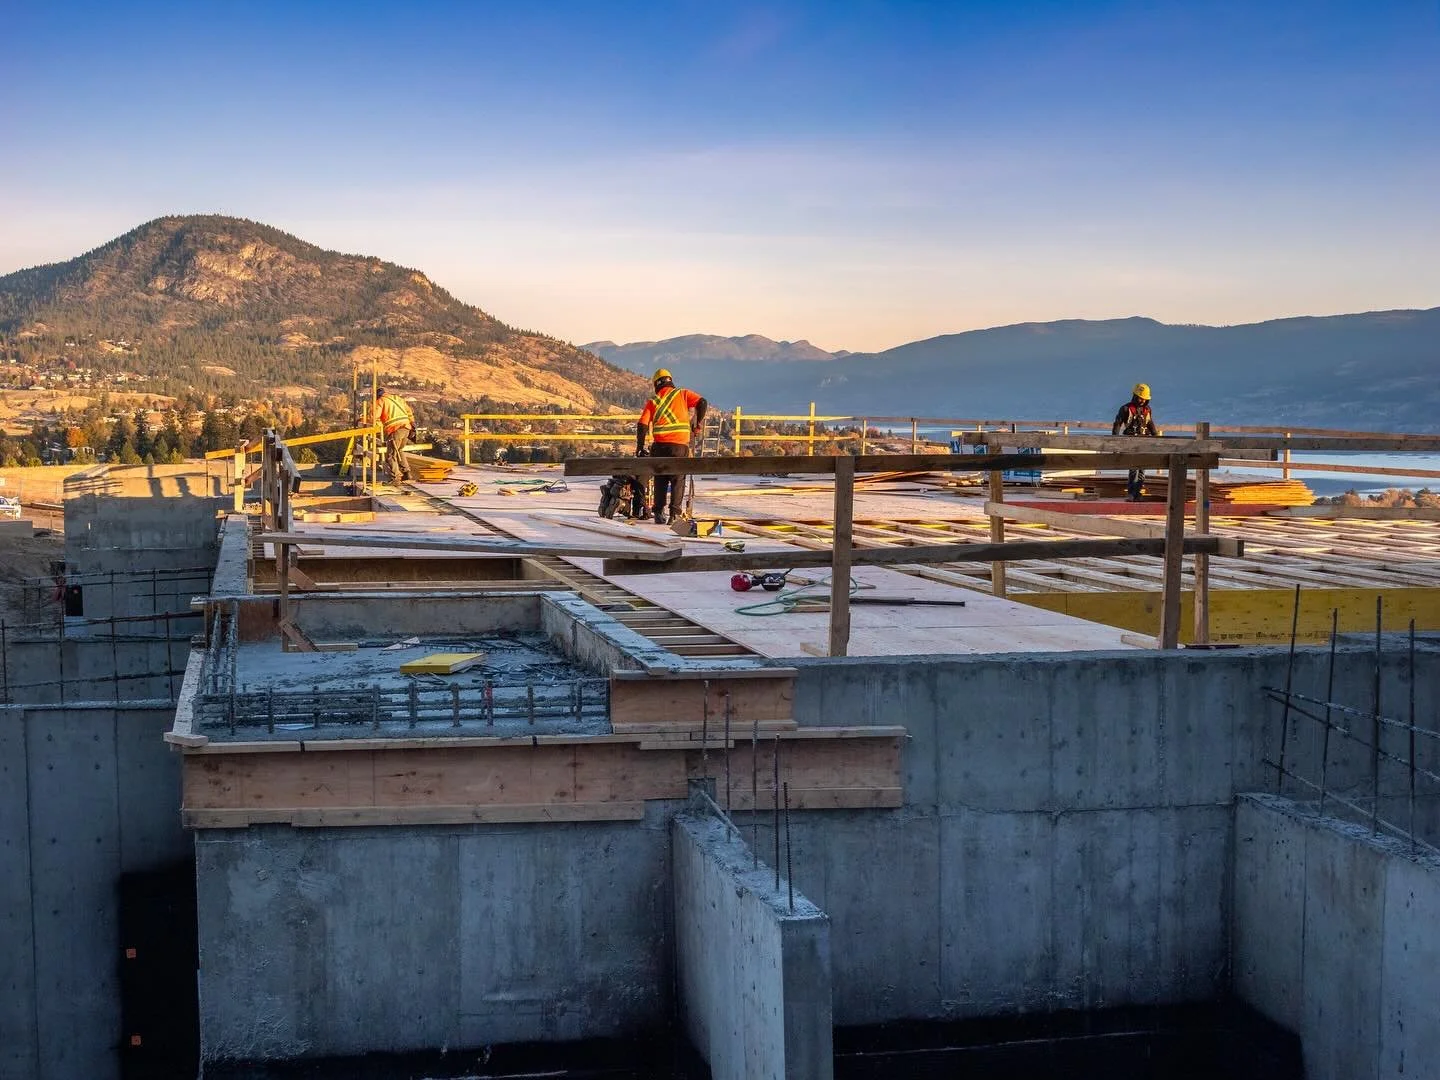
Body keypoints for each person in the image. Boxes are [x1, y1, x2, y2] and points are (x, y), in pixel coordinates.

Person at [635, 367, 707, 524]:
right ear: (670, 381)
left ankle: (659, 512)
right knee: (678, 479)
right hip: (679, 446)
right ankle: (674, 514)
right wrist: (697, 423)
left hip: (659, 447)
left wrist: (640, 447)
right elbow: (702, 402)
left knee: (660, 478)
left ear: (656, 384)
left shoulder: (653, 401)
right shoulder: (682, 394)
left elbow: (642, 425)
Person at [1111, 382, 1159, 501]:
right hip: (1130, 443)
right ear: (1135, 396)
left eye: (1144, 399)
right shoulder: (1126, 408)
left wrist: (1157, 439)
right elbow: (1117, 425)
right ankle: (1131, 493)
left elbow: (1150, 424)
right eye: (1140, 398)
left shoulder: (1147, 410)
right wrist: (1114, 442)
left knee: (1142, 470)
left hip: (1144, 443)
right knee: (1133, 469)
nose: (1142, 400)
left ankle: (1137, 493)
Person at [375, 386, 415, 483]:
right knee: (399, 450)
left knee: (390, 455)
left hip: (395, 429)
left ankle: (395, 478)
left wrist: (362, 419)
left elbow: (374, 416)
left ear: (377, 396)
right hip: (406, 427)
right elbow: (409, 412)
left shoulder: (381, 401)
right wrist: (412, 424)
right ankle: (407, 473)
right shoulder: (397, 398)